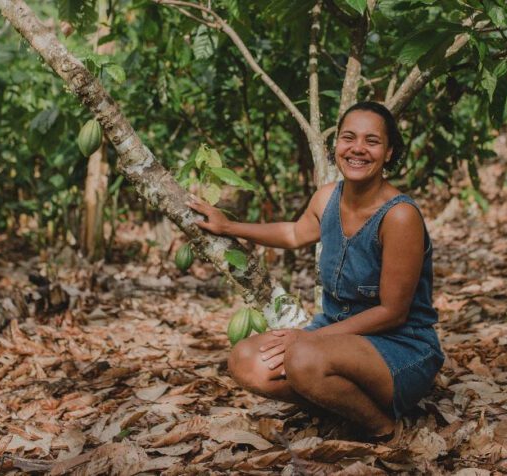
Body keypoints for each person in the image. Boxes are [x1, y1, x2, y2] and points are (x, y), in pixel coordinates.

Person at [188, 101, 444, 437]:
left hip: (399, 347)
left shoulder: (399, 216)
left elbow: (393, 313)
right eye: (348, 138)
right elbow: (294, 233)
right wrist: (228, 227)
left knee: (303, 358)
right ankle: (347, 407)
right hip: (335, 336)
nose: (358, 149)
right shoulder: (326, 199)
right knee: (245, 359)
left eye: (372, 141)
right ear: (336, 144)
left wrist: (307, 338)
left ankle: (383, 429)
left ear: (389, 152)